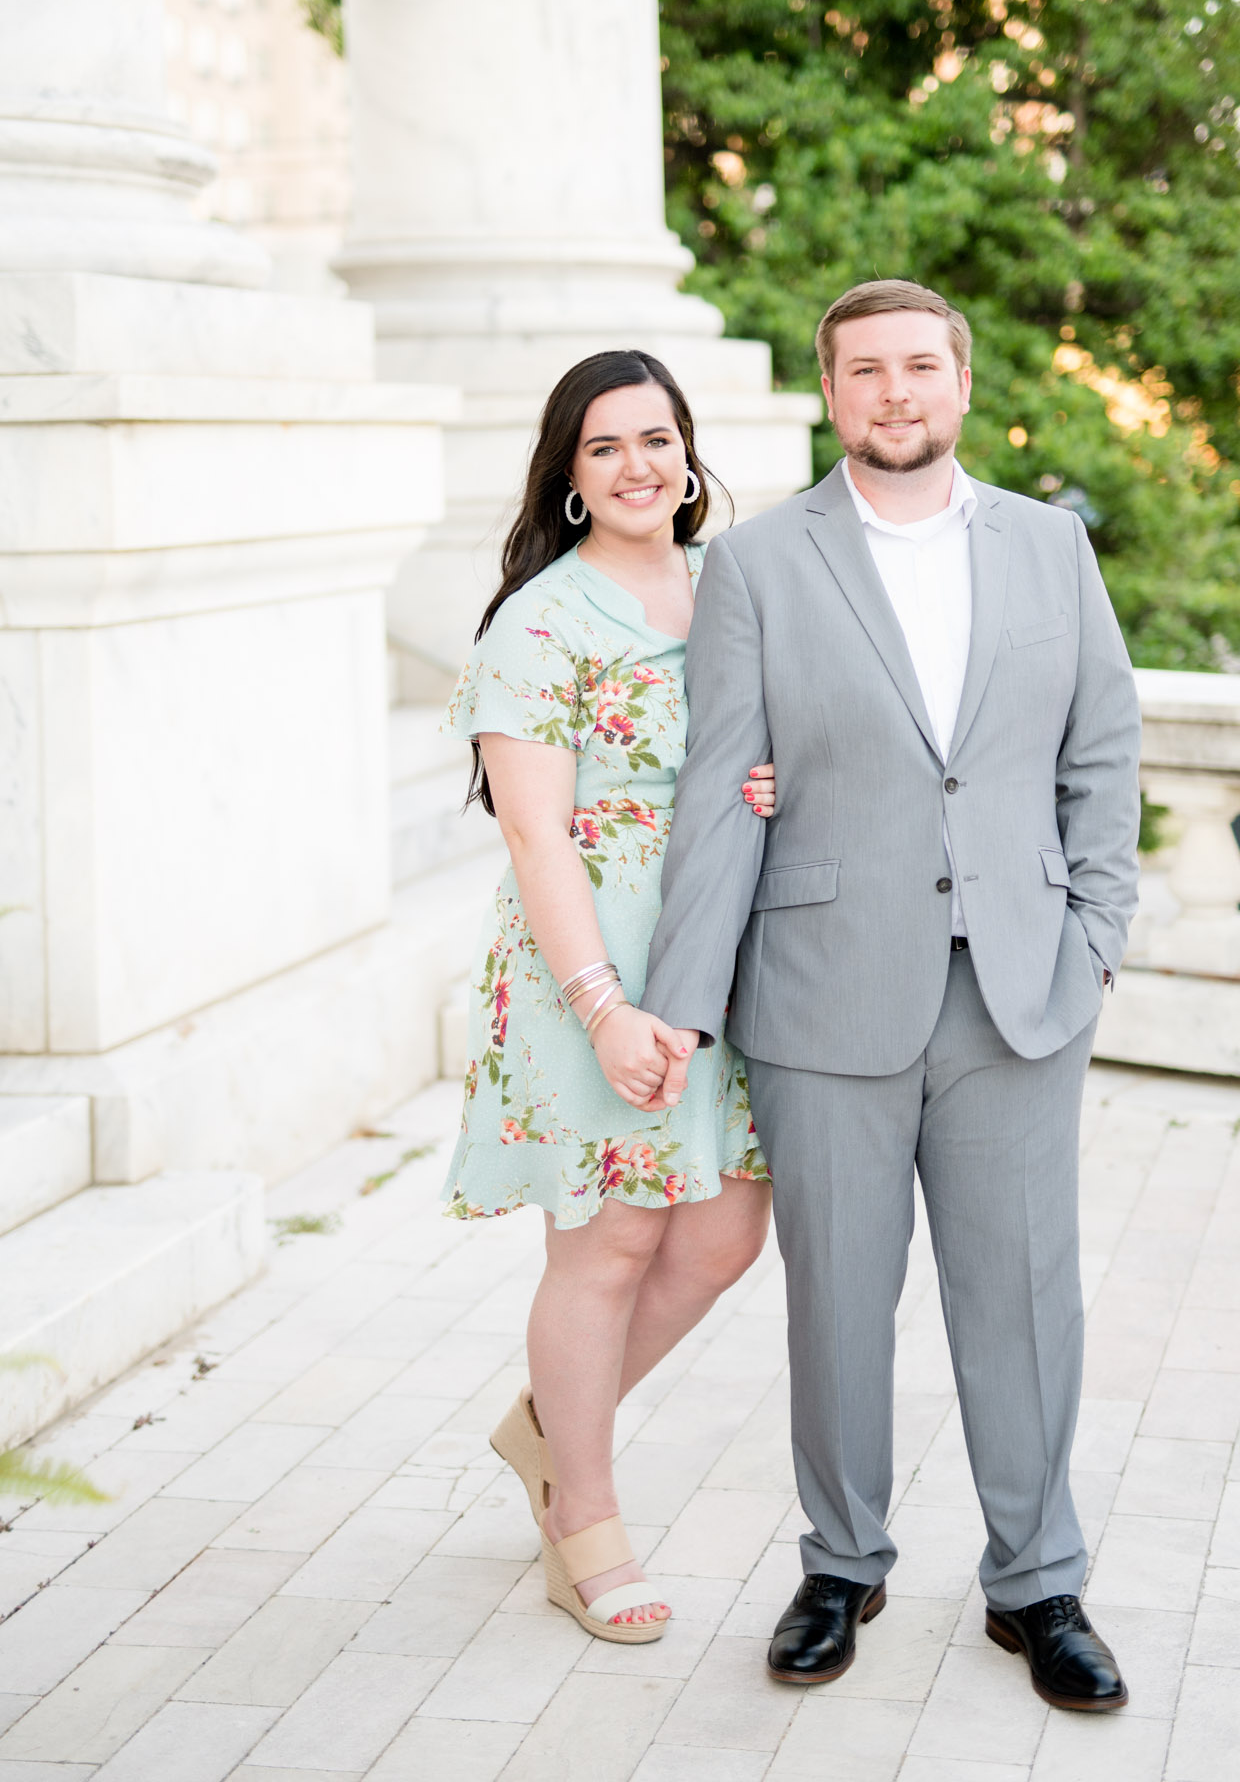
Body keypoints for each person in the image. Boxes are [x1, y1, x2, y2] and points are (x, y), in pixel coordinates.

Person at [642, 278, 1142, 1708]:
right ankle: (841, 1563)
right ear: (831, 392)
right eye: (866, 371)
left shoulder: (1050, 548)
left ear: (963, 384)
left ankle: (1038, 1583)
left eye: (921, 366)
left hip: (1019, 994)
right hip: (820, 992)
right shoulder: (756, 565)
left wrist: (1093, 935)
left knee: (1027, 1297)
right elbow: (717, 793)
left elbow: (1102, 749)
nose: (896, 393)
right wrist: (680, 1005)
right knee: (838, 1303)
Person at [442, 348, 775, 1646]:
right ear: (570, 479)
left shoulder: (736, 591)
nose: (638, 466)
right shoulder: (543, 622)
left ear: (689, 454)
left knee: (722, 1237)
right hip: (595, 964)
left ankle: (542, 1426)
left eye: (657, 439)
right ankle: (583, 1514)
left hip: (724, 961)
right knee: (613, 1242)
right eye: (604, 448)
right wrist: (601, 1006)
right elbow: (538, 841)